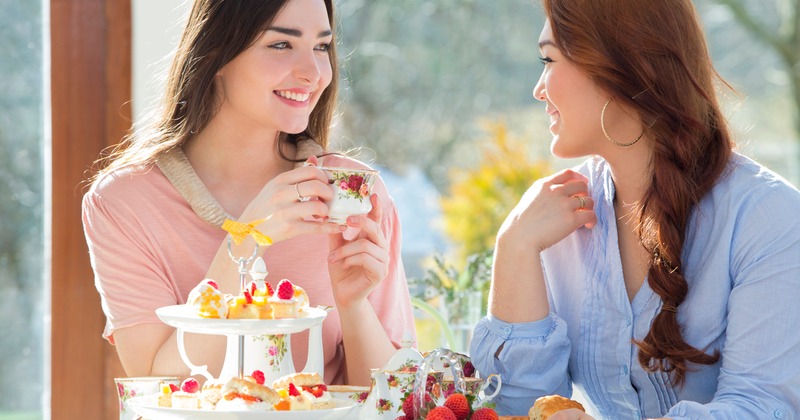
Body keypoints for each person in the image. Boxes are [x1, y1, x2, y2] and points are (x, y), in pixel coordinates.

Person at [469, 0, 800, 418]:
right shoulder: (557, 216)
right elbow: (516, 408)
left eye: (548, 59)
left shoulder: (769, 219)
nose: (538, 89)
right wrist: (514, 246)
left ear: (619, 68)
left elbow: (762, 407)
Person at [82, 0, 415, 387]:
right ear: (216, 50)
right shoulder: (124, 202)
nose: (314, 73)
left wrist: (354, 305)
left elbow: (395, 400)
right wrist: (243, 243)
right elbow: (161, 391)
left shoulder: (353, 192)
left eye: (322, 47)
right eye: (280, 45)